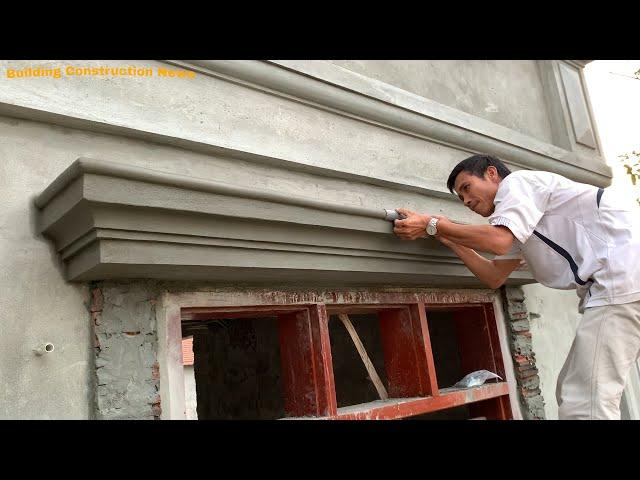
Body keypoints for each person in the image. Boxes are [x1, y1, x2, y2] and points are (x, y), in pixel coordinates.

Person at [393, 154, 640, 419]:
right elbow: (494, 276)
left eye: (466, 188)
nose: (466, 201)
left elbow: (498, 241)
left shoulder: (518, 184)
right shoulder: (520, 219)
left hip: (621, 282)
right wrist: (447, 236)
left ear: (491, 174)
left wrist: (433, 224)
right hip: (619, 287)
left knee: (585, 403)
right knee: (571, 390)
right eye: (460, 198)